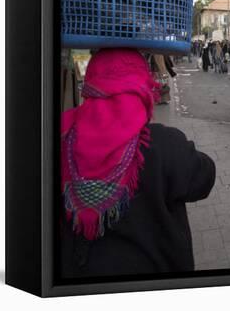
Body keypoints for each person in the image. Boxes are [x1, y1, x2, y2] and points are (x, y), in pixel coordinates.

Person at [60, 49, 215, 277]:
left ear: (91, 85)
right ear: (142, 87)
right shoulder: (163, 144)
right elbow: (205, 177)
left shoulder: (61, 138)